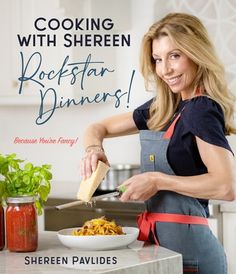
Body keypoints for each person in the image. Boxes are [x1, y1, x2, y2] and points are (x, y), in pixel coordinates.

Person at [80, 13, 236, 274]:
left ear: (196, 53)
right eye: (158, 59)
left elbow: (226, 186)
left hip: (192, 259)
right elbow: (97, 127)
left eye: (175, 55)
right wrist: (94, 149)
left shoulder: (201, 109)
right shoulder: (166, 107)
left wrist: (157, 180)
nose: (165, 69)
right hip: (161, 250)